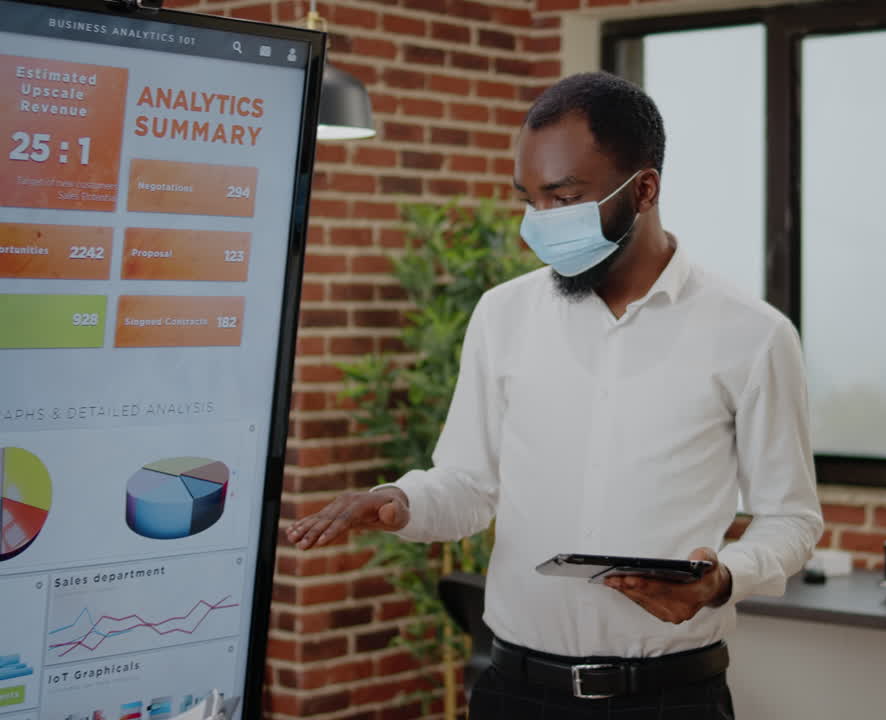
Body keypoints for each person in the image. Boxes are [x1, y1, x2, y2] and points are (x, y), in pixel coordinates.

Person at [286, 71, 824, 720]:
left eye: (564, 198)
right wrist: (402, 501)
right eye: (531, 199)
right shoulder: (502, 316)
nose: (539, 223)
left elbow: (791, 517)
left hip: (668, 699)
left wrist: (721, 582)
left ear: (645, 189)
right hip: (515, 692)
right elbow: (469, 483)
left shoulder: (753, 335)